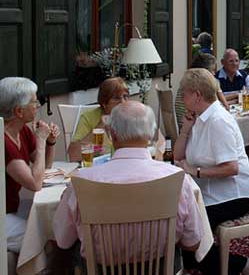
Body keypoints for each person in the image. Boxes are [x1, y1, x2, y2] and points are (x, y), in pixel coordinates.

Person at [54, 102, 204, 269]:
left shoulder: (81, 182)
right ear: (150, 135)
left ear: (112, 134)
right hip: (160, 268)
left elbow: (63, 240)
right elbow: (193, 243)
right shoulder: (177, 179)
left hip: (102, 270)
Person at [173, 69, 249, 275]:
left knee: (187, 228)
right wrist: (186, 129)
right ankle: (241, 265)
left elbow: (232, 168)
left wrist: (195, 171)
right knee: (185, 228)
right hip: (209, 193)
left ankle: (240, 265)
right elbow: (177, 158)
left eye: (184, 93)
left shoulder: (217, 121)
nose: (182, 98)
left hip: (234, 195)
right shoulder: (199, 117)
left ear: (197, 95)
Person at [1, 77, 58, 253]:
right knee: (42, 238)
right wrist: (40, 140)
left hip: (11, 207)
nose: (38, 105)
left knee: (53, 222)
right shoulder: (3, 141)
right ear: (19, 111)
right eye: (34, 102)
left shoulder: (22, 130)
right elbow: (35, 184)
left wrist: (50, 143)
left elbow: (44, 169)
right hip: (3, 215)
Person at [68, 77, 129, 161]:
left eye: (125, 97)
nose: (123, 102)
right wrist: (100, 126)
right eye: (117, 98)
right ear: (104, 103)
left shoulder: (131, 117)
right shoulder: (89, 118)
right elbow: (73, 155)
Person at [175, 53, 229, 131]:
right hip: (195, 130)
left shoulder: (186, 81)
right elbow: (225, 107)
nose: (214, 73)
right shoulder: (207, 84)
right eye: (212, 70)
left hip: (182, 128)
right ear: (205, 72)